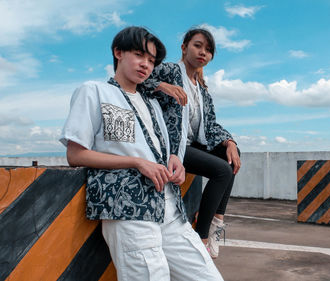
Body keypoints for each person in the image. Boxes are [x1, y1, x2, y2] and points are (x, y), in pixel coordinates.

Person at [59, 26, 223, 281]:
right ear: (118, 52)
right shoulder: (94, 91)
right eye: (139, 55)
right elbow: (76, 155)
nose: (145, 64)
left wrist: (174, 161)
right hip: (129, 209)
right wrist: (137, 163)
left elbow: (163, 150)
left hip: (170, 209)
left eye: (151, 60)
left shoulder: (154, 105)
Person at [143, 28, 241, 259]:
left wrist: (230, 142)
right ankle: (203, 238)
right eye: (198, 46)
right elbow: (138, 82)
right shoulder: (168, 70)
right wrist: (161, 86)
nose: (202, 52)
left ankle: (217, 221)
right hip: (171, 147)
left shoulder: (202, 89)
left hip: (193, 145)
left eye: (208, 50)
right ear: (184, 47)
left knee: (232, 156)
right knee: (222, 171)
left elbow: (211, 125)